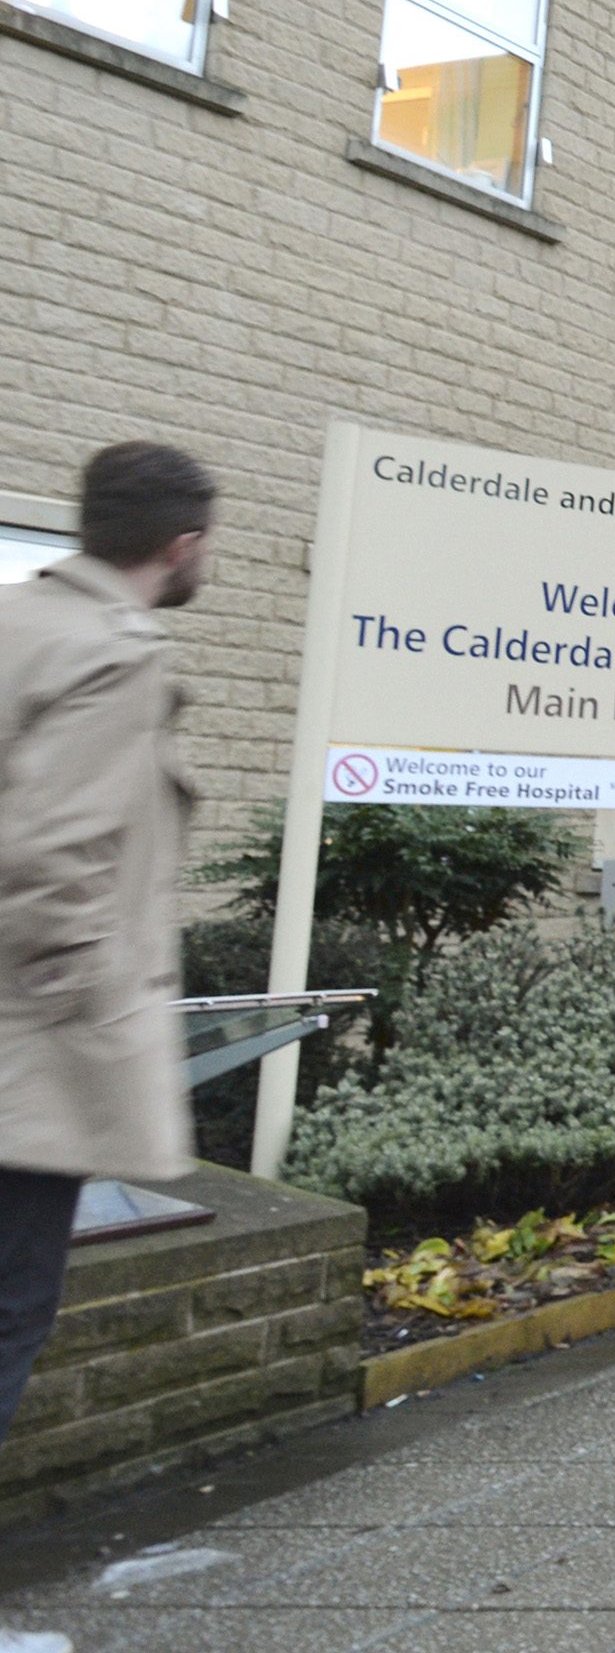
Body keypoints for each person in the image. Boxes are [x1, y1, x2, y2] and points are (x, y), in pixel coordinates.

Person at [0, 442, 211, 1653]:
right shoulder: (114, 654)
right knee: (7, 1313)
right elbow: (51, 857)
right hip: (27, 1055)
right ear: (181, 544)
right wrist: (87, 1017)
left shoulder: (18, 620)